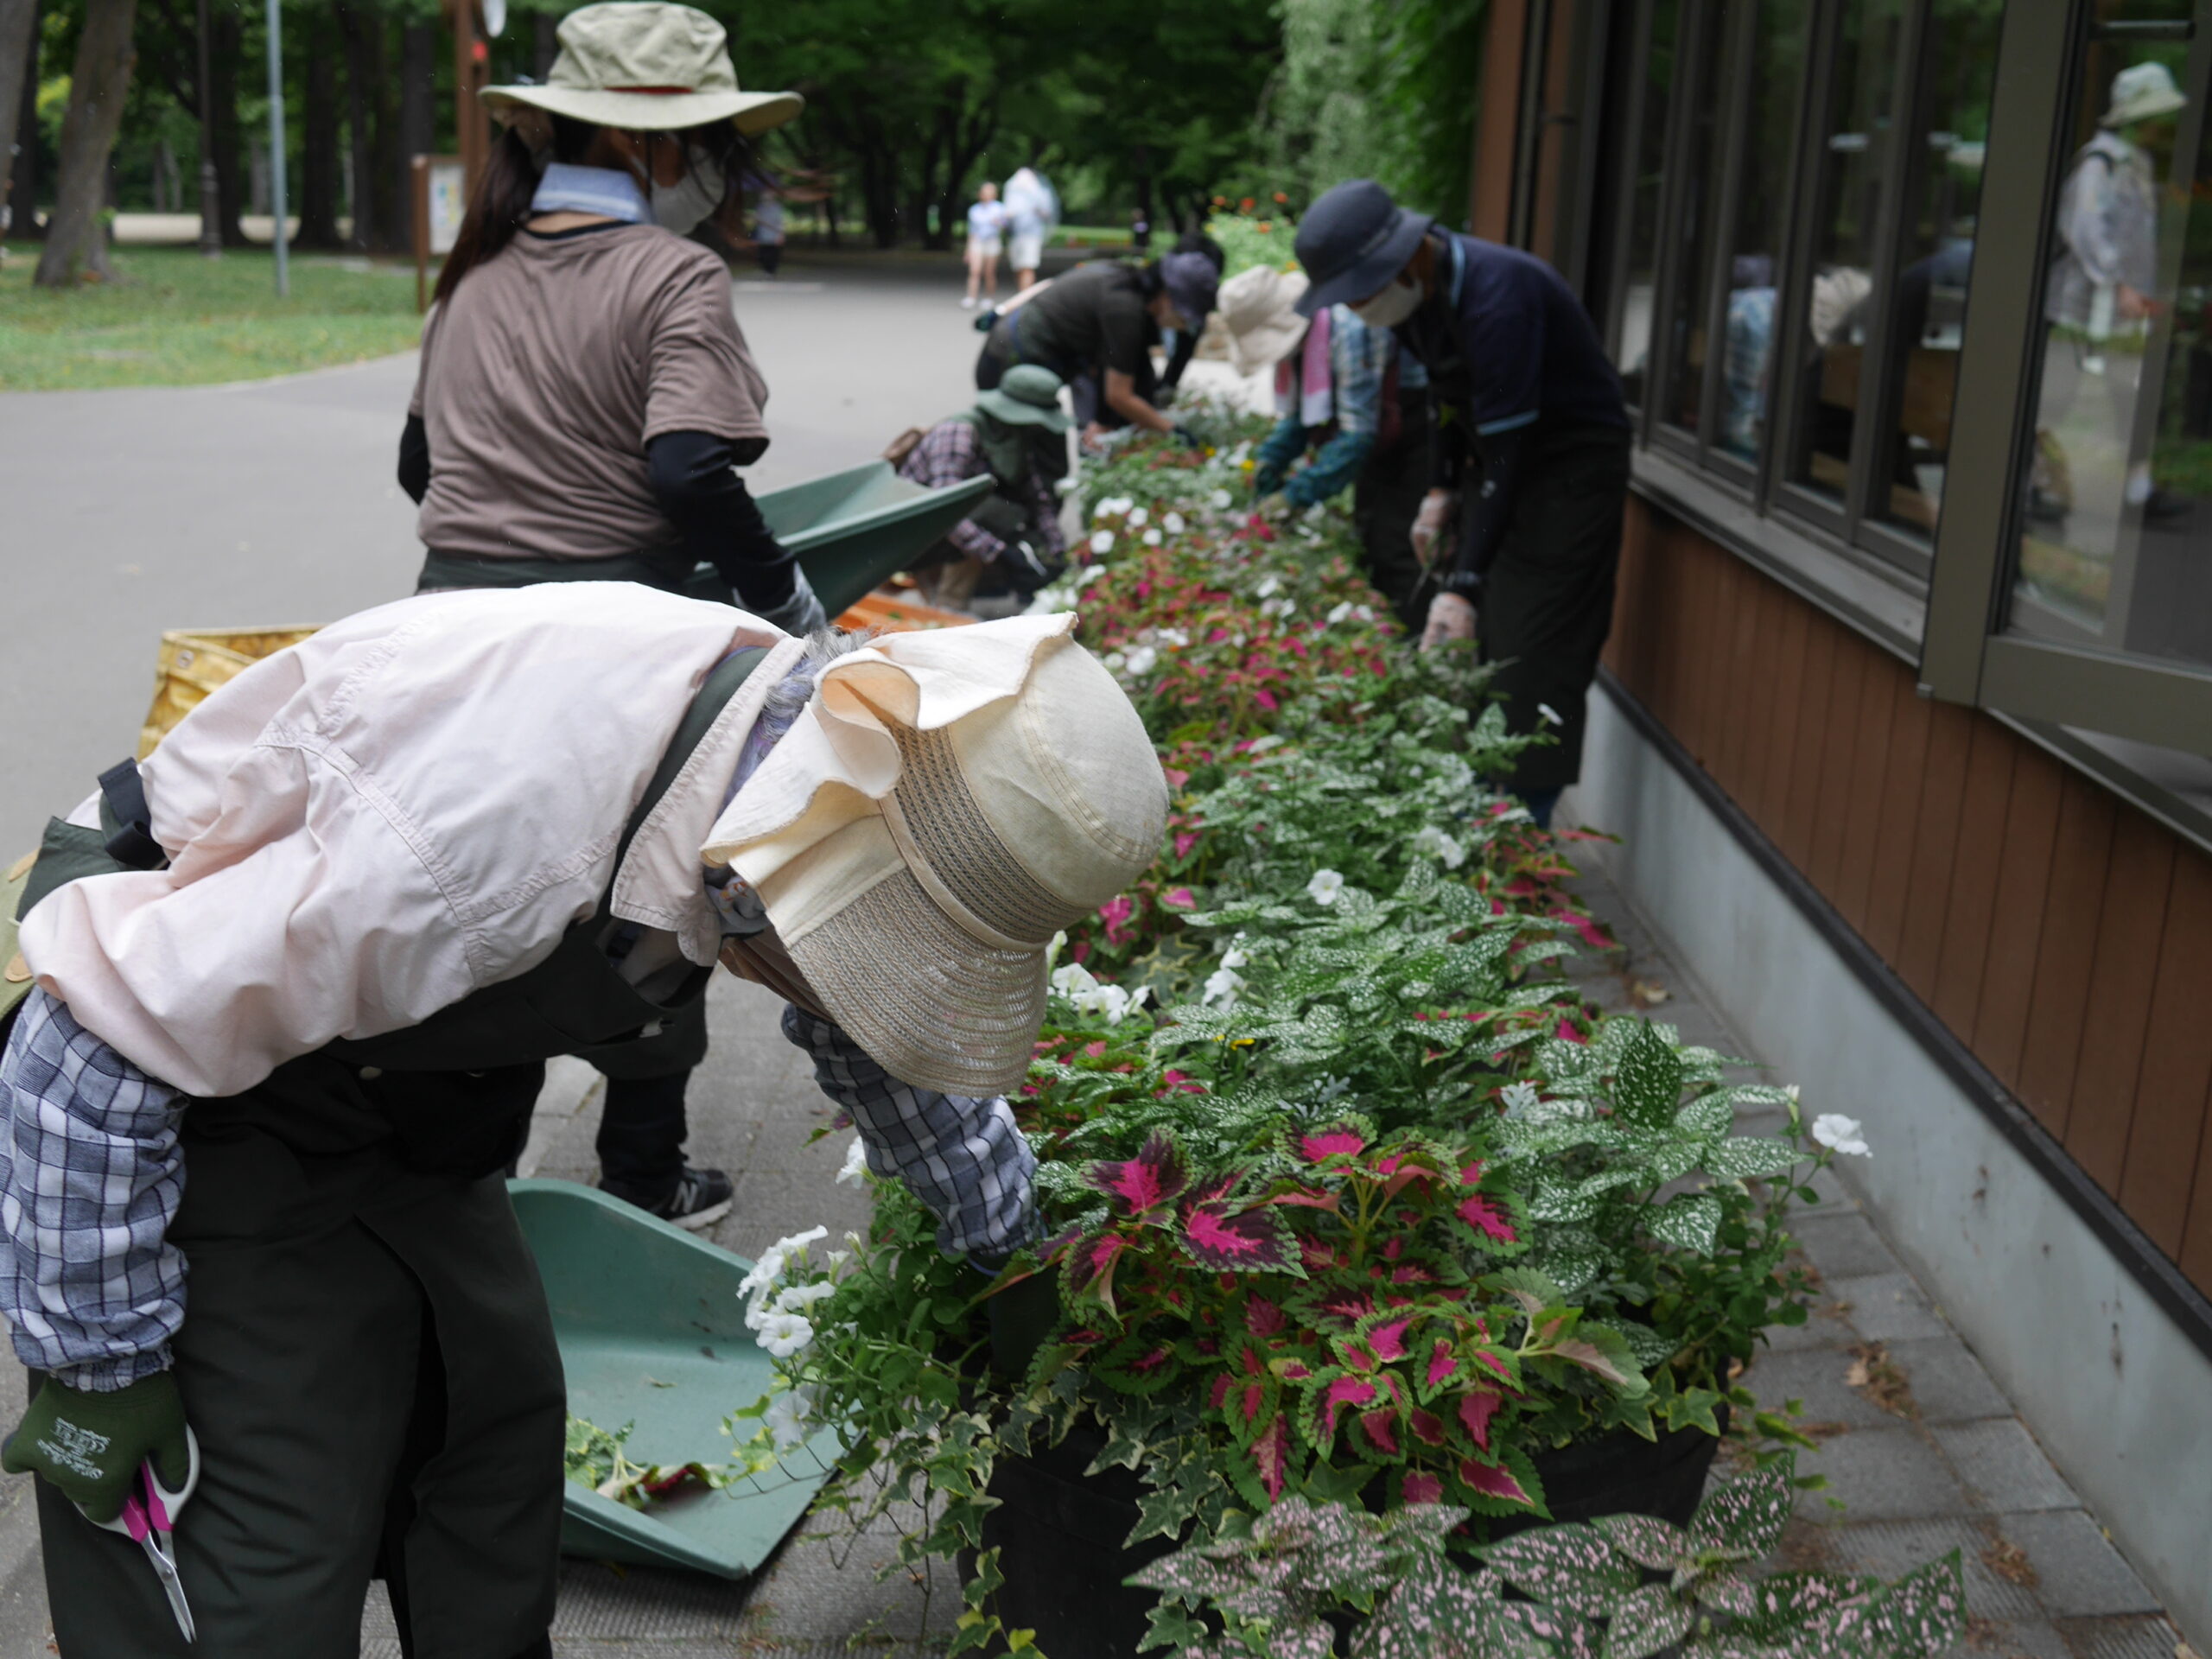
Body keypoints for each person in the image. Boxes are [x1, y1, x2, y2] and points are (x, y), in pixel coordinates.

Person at [0, 590, 1166, 1657]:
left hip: (404, 1101)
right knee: (264, 1550)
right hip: (177, 1109)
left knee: (492, 1454)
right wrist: (101, 1369)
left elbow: (862, 1015)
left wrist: (1007, 1246)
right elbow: (84, 1052)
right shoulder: (477, 850)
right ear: (784, 861)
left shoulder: (789, 750)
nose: (857, 980)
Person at [395, 2, 822, 1229]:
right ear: (654, 145)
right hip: (610, 642)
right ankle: (641, 1176)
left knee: (483, 893)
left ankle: (468, 1185)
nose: (723, 170)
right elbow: (688, 467)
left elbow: (421, 469)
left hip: (449, 631)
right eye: (716, 145)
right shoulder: (671, 273)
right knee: (645, 900)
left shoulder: (473, 279)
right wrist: (785, 598)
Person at [1294, 179, 1631, 829]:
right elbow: (1447, 400)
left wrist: (1464, 584)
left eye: (1360, 290)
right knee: (1492, 640)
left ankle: (1521, 828)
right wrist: (1440, 489)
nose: (1358, 306)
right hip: (1500, 463)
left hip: (1569, 474)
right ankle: (1481, 799)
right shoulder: (1420, 298)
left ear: (1404, 257)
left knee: (1537, 650)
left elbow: (1508, 450)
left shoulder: (1500, 298)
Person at [1224, 265, 1427, 628]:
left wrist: (1294, 496)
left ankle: (1410, 637)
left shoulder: (1346, 331)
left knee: (1393, 544)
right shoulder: (1309, 339)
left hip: (1414, 432)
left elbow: (1356, 437)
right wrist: (1270, 459)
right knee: (1367, 531)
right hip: (1378, 432)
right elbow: (1303, 416)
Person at [2036, 61, 2186, 523]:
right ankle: (2037, 485)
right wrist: (2119, 283)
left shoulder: (2136, 164)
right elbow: (2084, 230)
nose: (2164, 124)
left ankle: (2138, 492)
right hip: (2080, 306)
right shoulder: (2099, 164)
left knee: (2130, 401)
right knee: (2056, 400)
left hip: (2123, 312)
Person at [976, 252, 1217, 446]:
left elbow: (1112, 370)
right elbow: (1119, 395)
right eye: (1185, 316)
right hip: (1010, 359)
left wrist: (1104, 421)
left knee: (1034, 450)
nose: (1185, 326)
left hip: (1022, 352)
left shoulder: (1127, 283)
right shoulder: (1125, 309)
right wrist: (1174, 432)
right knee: (1023, 449)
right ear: (1166, 296)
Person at [895, 363, 1071, 610]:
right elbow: (945, 511)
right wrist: (1001, 554)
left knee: (1010, 516)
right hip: (914, 531)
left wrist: (1056, 549)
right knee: (985, 518)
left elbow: (1037, 498)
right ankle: (948, 607)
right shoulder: (959, 433)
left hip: (953, 522)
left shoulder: (1015, 438)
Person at [1157, 229, 1227, 401]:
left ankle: (1162, 389)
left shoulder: (1176, 260)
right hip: (1190, 311)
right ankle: (1165, 388)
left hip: (1178, 307)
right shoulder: (1204, 264)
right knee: (1181, 351)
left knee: (1177, 350)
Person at [1003, 164, 1058, 289]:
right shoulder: (1013, 191)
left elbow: (1048, 213)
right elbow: (1007, 216)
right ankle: (1022, 293)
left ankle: (1026, 295)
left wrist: (1037, 207)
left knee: (1028, 266)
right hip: (1015, 235)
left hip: (1032, 235)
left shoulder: (1040, 192)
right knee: (1018, 267)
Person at [964, 181, 1008, 308]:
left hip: (992, 241)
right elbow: (972, 231)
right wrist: (968, 250)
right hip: (977, 241)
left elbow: (1006, 225)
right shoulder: (974, 210)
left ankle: (988, 298)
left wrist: (999, 223)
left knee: (989, 272)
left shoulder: (1000, 208)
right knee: (974, 270)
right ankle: (971, 297)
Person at [753, 187, 786, 276]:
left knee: (773, 254)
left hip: (774, 234)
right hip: (762, 235)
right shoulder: (760, 207)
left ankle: (771, 271)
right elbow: (756, 221)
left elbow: (780, 221)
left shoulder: (777, 207)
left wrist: (781, 234)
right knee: (763, 253)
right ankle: (766, 270)